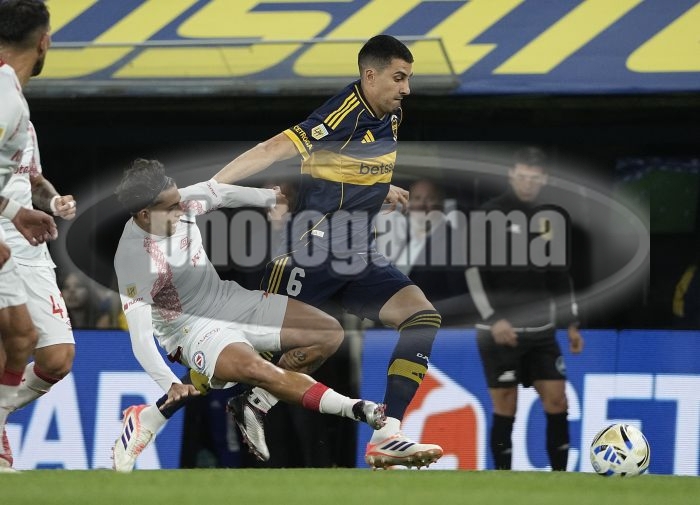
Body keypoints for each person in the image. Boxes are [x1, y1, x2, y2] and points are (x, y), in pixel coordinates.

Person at [213, 34, 443, 469]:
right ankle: (161, 406)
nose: (407, 89)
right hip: (308, 253)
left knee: (421, 318)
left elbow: (349, 167)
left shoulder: (391, 115)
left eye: (409, 79)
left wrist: (379, 188)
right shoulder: (341, 113)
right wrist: (209, 190)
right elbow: (271, 150)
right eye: (399, 78)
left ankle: (388, 433)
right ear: (370, 76)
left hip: (356, 254)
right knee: (239, 357)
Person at [111, 159, 386, 472]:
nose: (181, 207)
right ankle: (359, 410)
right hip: (189, 329)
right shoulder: (134, 257)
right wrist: (170, 383)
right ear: (145, 215)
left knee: (328, 334)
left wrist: (271, 198)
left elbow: (221, 193)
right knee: (259, 370)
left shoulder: (182, 201)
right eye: (171, 207)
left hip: (228, 299)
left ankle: (254, 403)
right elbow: (140, 338)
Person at [464, 146, 584, 471]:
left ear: (544, 179)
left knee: (557, 399)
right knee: (506, 405)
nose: (528, 183)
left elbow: (560, 275)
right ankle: (504, 480)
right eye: (522, 176)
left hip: (542, 331)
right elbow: (473, 273)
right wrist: (493, 319)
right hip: (499, 331)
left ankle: (561, 479)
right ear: (511, 175)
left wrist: (572, 323)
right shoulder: (489, 214)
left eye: (534, 178)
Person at [0, 0, 62, 471]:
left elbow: (30, 177)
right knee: (18, 337)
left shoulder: (13, 98)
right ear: (43, 42)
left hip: (14, 232)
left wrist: (17, 210)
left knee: (31, 343)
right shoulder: (5, 97)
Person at [375, 178, 475, 326]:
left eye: (430, 199)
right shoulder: (402, 240)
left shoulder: (454, 241)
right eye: (417, 198)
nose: (421, 205)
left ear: (441, 204)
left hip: (433, 328)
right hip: (393, 327)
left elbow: (459, 296)